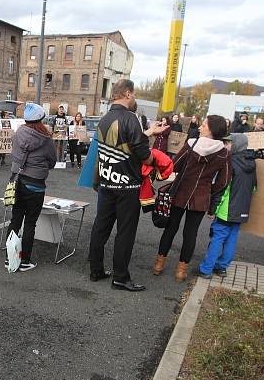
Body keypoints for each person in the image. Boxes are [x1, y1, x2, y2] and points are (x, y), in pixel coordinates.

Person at [89, 79, 168, 291]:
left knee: (100, 228)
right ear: (126, 93)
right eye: (133, 94)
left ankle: (95, 270)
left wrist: (148, 133)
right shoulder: (131, 118)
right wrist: (153, 158)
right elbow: (143, 155)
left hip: (107, 183)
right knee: (125, 232)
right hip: (127, 187)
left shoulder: (104, 119)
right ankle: (120, 278)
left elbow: (118, 144)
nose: (134, 98)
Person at [154, 115, 231, 282]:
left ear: (211, 129)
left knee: (171, 229)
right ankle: (181, 271)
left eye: (204, 125)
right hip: (201, 198)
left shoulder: (191, 144)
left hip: (181, 192)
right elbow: (224, 181)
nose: (201, 127)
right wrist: (210, 190)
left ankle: (159, 264)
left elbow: (176, 165)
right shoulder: (224, 153)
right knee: (190, 234)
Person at [5, 103, 56, 272]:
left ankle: (9, 258)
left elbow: (15, 154)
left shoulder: (18, 133)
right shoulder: (46, 139)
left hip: (17, 182)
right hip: (35, 185)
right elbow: (52, 162)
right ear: (41, 119)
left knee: (15, 220)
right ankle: (25, 260)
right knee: (30, 224)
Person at [198, 132, 256, 278]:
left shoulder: (230, 163)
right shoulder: (252, 163)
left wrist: (212, 209)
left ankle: (206, 269)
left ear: (236, 145)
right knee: (231, 238)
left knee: (218, 238)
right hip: (242, 210)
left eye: (229, 143)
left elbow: (221, 188)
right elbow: (254, 188)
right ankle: (222, 267)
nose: (226, 145)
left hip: (226, 209)